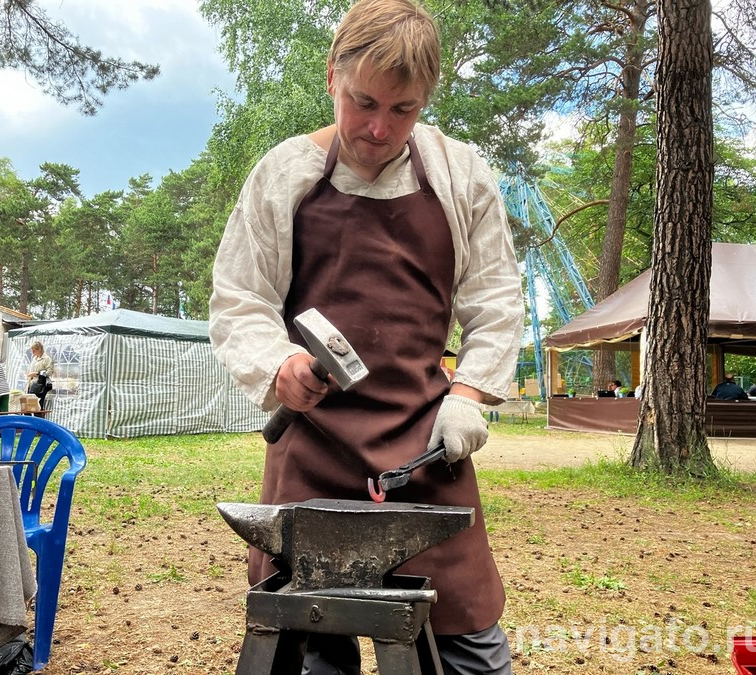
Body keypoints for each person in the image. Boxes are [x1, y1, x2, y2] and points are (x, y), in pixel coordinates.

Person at [208, 0, 523, 671]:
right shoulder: (284, 175)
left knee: (468, 650)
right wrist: (279, 364)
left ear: (426, 99)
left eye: (403, 109)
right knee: (316, 653)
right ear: (332, 76)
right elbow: (240, 299)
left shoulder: (459, 174)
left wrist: (468, 394)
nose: (379, 129)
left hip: (424, 453)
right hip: (312, 456)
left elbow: (496, 299)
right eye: (364, 102)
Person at [26, 340, 54, 408]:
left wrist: (37, 373)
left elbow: (49, 372)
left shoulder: (47, 359)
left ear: (40, 349)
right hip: (32, 385)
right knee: (29, 407)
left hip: (40, 386)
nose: (33, 352)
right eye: (32, 351)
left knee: (38, 407)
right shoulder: (34, 359)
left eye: (34, 350)